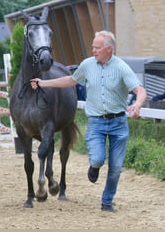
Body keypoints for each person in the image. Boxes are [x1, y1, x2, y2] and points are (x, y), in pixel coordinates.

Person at [30, 30, 147, 213]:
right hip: (96, 123)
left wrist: (137, 105)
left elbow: (140, 90)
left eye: (97, 47)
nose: (93, 50)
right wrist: (43, 84)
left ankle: (107, 202)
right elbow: (70, 80)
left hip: (118, 123)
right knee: (99, 158)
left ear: (109, 49)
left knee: (116, 168)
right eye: (93, 47)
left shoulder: (121, 67)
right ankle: (94, 166)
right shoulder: (87, 65)